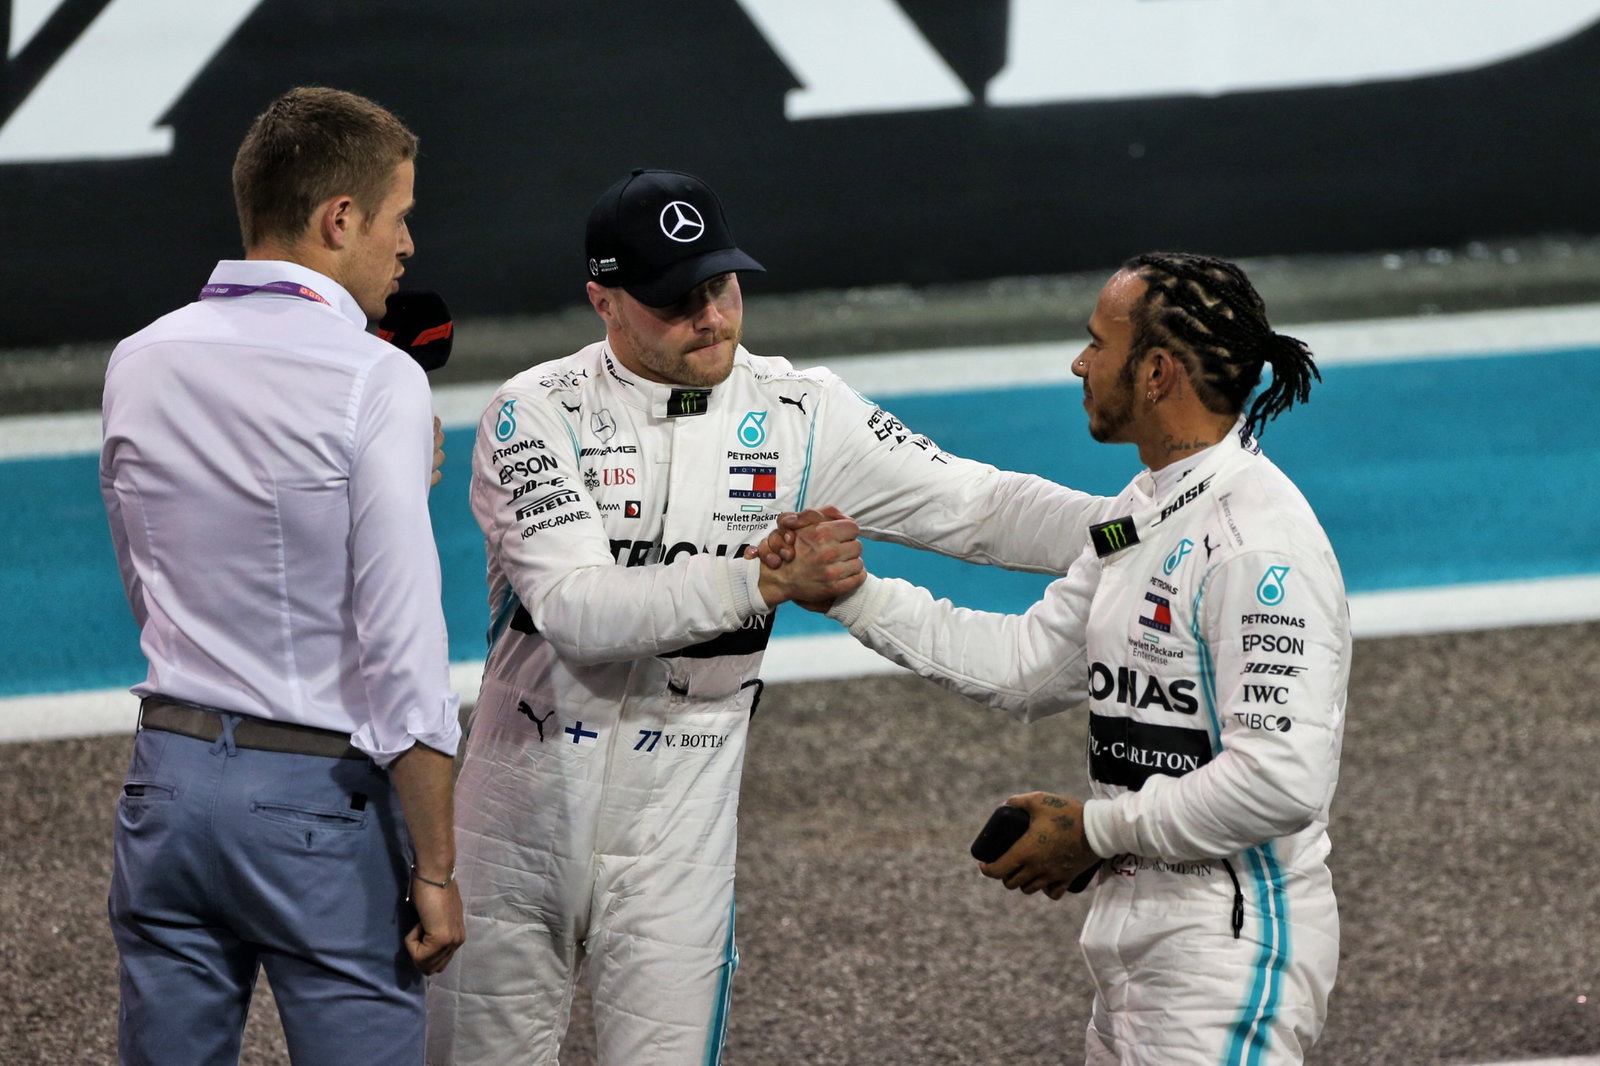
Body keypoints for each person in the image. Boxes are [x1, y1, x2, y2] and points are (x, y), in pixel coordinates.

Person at [425, 168, 1104, 1066]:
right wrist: (763, 583)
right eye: (676, 299)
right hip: (511, 831)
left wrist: (1156, 521)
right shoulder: (533, 414)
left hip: (679, 845)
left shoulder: (800, 411)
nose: (711, 315)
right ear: (604, 301)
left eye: (721, 285)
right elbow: (577, 612)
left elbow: (979, 507)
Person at [792, 253, 1349, 1065]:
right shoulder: (1143, 511)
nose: (1080, 363)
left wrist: (1095, 829)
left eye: (1098, 344)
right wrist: (855, 596)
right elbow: (1027, 666)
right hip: (1143, 941)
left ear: (1157, 373)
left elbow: (1281, 779)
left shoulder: (1258, 548)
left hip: (1231, 952)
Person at [100, 87, 463, 1066]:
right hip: (315, 805)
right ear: (337, 219)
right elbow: (401, 642)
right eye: (399, 217)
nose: (407, 246)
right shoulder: (374, 377)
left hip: (165, 790)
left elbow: (150, 577)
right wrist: (435, 864)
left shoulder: (137, 360)